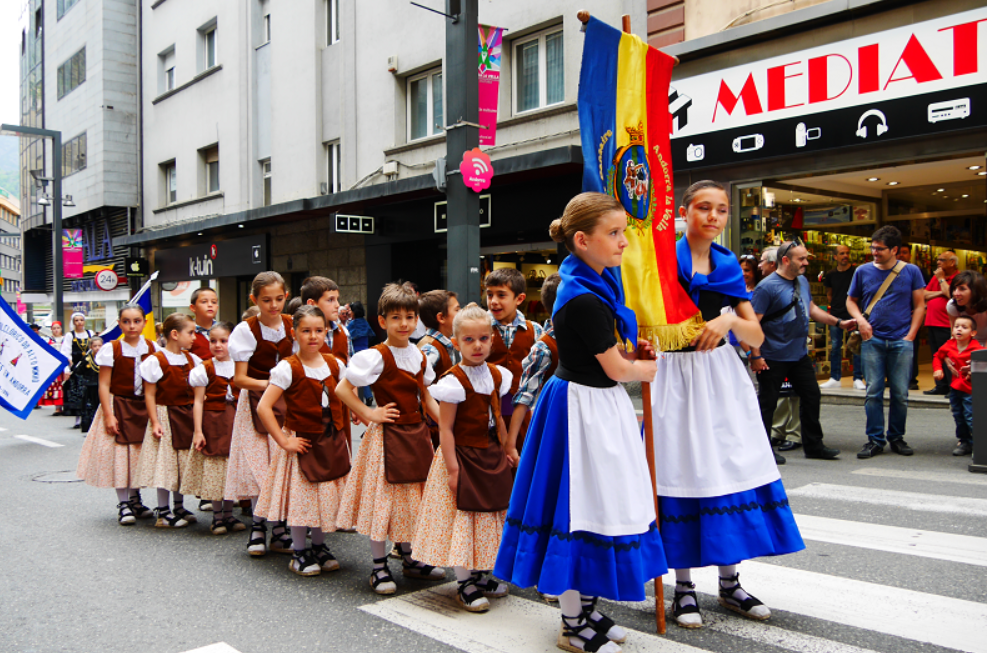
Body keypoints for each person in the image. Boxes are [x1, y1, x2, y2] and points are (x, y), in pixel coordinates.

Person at [496, 193, 666, 653]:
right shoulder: (583, 296)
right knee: (577, 511)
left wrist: (632, 356)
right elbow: (613, 368)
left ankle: (585, 609)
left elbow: (610, 358)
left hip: (594, 406)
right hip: (582, 410)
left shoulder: (594, 282)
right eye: (614, 233)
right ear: (581, 240)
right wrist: (644, 369)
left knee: (598, 506)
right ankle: (573, 623)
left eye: (623, 232)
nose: (623, 242)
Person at [651, 181, 805, 630]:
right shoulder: (660, 260)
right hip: (674, 376)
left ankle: (729, 581)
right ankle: (683, 588)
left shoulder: (727, 266)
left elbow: (756, 337)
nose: (714, 216)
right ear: (685, 211)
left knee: (729, 469)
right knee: (681, 473)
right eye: (704, 207)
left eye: (721, 209)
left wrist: (730, 319)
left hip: (720, 377)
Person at [335, 282, 447, 595]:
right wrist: (369, 414)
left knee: (413, 500)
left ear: (417, 320)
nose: (404, 324)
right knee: (383, 502)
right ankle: (379, 566)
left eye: (409, 317)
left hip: (416, 435)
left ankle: (411, 558)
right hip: (385, 438)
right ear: (382, 321)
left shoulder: (420, 356)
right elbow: (343, 389)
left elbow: (426, 398)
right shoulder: (375, 356)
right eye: (396, 317)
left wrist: (449, 428)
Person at [412, 303, 513, 613]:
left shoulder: (498, 375)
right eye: (469, 340)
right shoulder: (454, 382)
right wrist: (452, 470)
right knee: (463, 518)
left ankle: (482, 572)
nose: (478, 345)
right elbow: (445, 428)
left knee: (488, 515)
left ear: (492, 339)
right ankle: (465, 581)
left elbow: (498, 415)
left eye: (484, 338)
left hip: (490, 453)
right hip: (462, 456)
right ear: (456, 343)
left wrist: (508, 448)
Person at [255, 305, 349, 576]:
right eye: (306, 331)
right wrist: (284, 442)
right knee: (302, 500)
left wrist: (356, 416)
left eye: (319, 330)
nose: (313, 336)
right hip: (302, 443)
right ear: (294, 333)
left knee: (321, 498)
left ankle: (319, 545)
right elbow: (264, 407)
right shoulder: (287, 368)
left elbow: (344, 395)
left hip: (329, 441)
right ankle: (299, 551)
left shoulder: (334, 364)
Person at [751, 241, 845, 462]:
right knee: (768, 402)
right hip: (772, 355)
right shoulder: (767, 287)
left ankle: (814, 446)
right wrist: (755, 355)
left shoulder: (802, 281)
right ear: (785, 260)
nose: (806, 262)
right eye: (801, 259)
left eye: (805, 257)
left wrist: (838, 323)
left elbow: (810, 308)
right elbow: (753, 323)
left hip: (798, 354)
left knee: (812, 395)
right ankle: (763, 450)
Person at [226, 271, 295, 555]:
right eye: (266, 300)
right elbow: (239, 379)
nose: (274, 305)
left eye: (279, 299)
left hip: (288, 403)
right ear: (255, 299)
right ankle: (258, 526)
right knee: (259, 468)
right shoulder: (246, 330)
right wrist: (270, 383)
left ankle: (279, 529)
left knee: (280, 465)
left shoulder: (293, 325)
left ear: (286, 296)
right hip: (255, 401)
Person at [846, 225, 927, 459]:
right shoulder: (862, 271)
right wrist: (860, 321)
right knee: (873, 392)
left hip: (901, 340)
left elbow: (920, 305)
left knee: (900, 393)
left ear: (895, 250)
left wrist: (911, 335)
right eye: (872, 247)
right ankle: (874, 439)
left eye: (880, 249)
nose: (874, 252)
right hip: (873, 339)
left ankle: (897, 437)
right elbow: (851, 301)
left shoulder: (911, 271)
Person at [76, 305, 157, 525]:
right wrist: (108, 415)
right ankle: (123, 502)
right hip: (118, 403)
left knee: (137, 455)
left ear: (144, 322)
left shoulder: (152, 347)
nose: (132, 326)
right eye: (127, 321)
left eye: (137, 321)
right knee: (121, 456)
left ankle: (135, 498)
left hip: (143, 406)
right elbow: (103, 384)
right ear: (119, 323)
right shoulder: (111, 348)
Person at [137, 312, 202, 528]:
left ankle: (179, 506)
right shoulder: (156, 360)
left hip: (187, 415)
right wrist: (155, 422)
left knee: (181, 463)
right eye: (190, 332)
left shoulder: (193, 360)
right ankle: (163, 511)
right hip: (165, 414)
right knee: (165, 464)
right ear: (175, 334)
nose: (194, 337)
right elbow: (149, 394)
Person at [182, 322, 244, 535]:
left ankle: (229, 513)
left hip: (235, 422)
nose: (218, 345)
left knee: (230, 470)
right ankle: (217, 517)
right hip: (213, 423)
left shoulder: (240, 366)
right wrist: (198, 431)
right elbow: (198, 402)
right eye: (213, 341)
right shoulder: (204, 369)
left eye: (223, 341)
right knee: (216, 471)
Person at [485, 268, 544, 451]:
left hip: (523, 411)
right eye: (489, 295)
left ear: (519, 299)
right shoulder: (480, 326)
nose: (493, 301)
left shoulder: (534, 330)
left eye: (501, 295)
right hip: (486, 411)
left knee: (522, 461)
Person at [508, 273, 561, 452]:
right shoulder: (544, 346)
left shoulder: (587, 340)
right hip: (554, 423)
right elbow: (525, 396)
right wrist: (511, 444)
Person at [933, 315, 982, 457]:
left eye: (964, 327)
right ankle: (965, 442)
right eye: (956, 326)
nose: (959, 329)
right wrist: (938, 369)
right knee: (958, 416)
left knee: (970, 416)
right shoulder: (949, 345)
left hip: (971, 389)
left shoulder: (977, 349)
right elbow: (938, 356)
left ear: (973, 333)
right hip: (955, 388)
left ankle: (978, 444)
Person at [418, 289, 462, 446]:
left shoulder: (448, 344)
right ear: (441, 317)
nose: (461, 312)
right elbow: (419, 389)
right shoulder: (431, 348)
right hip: (436, 427)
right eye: (457, 309)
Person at [820, 245, 865, 390]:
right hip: (836, 315)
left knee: (856, 346)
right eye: (842, 253)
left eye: (847, 253)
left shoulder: (856, 272)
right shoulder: (831, 274)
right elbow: (829, 294)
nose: (845, 255)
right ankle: (834, 377)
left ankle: (858, 378)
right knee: (835, 347)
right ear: (835, 257)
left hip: (854, 314)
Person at [923, 251, 959, 395]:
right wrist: (940, 292)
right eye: (938, 260)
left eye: (942, 260)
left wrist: (942, 280)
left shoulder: (957, 278)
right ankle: (941, 385)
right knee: (937, 355)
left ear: (952, 262)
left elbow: (951, 295)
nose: (938, 263)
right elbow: (924, 294)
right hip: (932, 322)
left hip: (946, 323)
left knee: (950, 356)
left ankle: (953, 386)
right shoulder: (936, 278)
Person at [61, 312, 95, 428]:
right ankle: (77, 419)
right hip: (77, 369)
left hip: (90, 368)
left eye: (81, 320)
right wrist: (67, 367)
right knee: (78, 394)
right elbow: (65, 352)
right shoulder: (70, 335)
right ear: (73, 322)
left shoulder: (90, 333)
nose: (79, 322)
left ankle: (91, 418)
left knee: (90, 393)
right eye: (77, 320)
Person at [946, 270, 987, 346]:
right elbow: (955, 335)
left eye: (962, 289)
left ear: (976, 290)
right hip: (968, 345)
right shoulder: (952, 305)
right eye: (954, 289)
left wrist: (981, 356)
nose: (956, 293)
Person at [75, 337, 104, 433]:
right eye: (95, 346)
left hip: (102, 385)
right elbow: (79, 371)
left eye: (99, 345)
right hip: (90, 385)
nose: (97, 348)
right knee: (90, 407)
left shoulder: (106, 358)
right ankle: (89, 426)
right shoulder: (87, 358)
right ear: (91, 347)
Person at [40, 321, 66, 413]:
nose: (56, 330)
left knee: (65, 385)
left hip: (65, 366)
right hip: (54, 366)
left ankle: (66, 407)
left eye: (58, 328)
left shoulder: (66, 339)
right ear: (51, 330)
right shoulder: (48, 340)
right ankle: (57, 408)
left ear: (61, 329)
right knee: (57, 386)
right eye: (54, 328)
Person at [188, 287, 219, 361]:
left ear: (217, 307)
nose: (210, 305)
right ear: (193, 308)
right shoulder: (187, 332)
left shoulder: (225, 331)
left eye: (214, 302)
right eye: (204, 302)